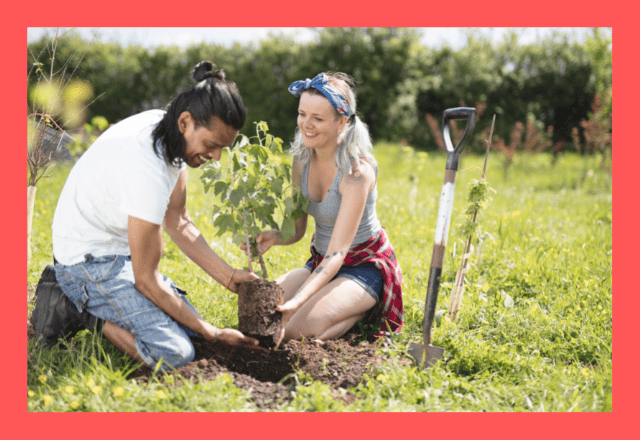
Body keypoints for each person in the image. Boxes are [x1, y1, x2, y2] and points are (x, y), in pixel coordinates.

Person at [31, 61, 262, 371]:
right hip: (85, 264)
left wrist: (229, 276)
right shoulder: (146, 168)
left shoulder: (166, 131)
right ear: (186, 122)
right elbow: (147, 281)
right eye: (211, 145)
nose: (216, 157)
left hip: (116, 254)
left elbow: (178, 219)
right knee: (176, 354)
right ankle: (77, 308)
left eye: (223, 147)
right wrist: (213, 330)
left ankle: (88, 303)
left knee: (190, 331)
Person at [243, 72, 403, 348]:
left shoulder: (356, 173)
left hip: (362, 266)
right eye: (302, 114)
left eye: (317, 119)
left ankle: (363, 309)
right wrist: (275, 236)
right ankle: (334, 303)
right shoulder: (301, 160)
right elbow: (298, 229)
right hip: (320, 263)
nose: (306, 124)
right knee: (261, 315)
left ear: (343, 121)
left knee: (294, 331)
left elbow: (338, 254)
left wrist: (296, 303)